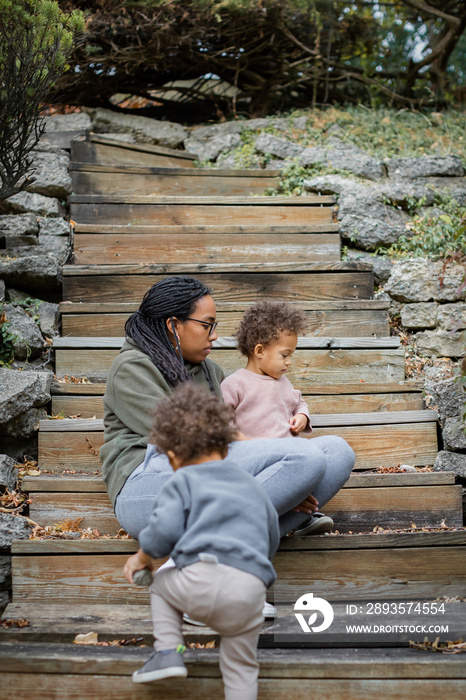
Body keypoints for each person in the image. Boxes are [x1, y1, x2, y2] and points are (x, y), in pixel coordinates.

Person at [100, 275, 355, 546]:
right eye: (207, 325)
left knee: (338, 453)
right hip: (149, 488)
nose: (215, 335)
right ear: (174, 324)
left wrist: (286, 483)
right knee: (304, 458)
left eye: (215, 326)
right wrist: (280, 476)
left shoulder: (209, 372)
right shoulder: (131, 367)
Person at [124, 383, 280, 699]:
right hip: (251, 593)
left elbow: (162, 531)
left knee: (161, 582)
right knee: (242, 668)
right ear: (225, 447)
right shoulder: (250, 484)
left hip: (198, 580)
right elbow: (271, 533)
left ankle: (169, 650)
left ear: (172, 457)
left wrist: (142, 558)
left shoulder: (182, 479)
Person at [221, 300, 333, 535]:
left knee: (322, 459)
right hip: (257, 462)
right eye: (285, 355)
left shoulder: (283, 383)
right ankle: (286, 517)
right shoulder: (235, 384)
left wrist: (302, 416)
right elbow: (222, 423)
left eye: (291, 355)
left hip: (291, 457)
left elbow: (298, 402)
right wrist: (247, 445)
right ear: (260, 351)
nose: (289, 362)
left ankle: (299, 518)